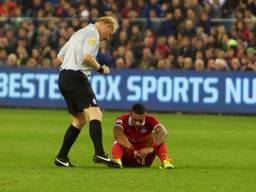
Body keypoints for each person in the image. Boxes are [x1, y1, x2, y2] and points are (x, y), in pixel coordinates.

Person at [54, 16, 119, 168]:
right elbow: (87, 57)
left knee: (80, 120)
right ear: (105, 24)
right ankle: (99, 153)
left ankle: (61, 157)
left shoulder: (78, 33)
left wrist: (71, 65)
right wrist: (101, 69)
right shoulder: (92, 34)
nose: (108, 37)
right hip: (76, 77)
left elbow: (59, 56)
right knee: (95, 113)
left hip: (64, 77)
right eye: (109, 33)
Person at [111, 103, 174, 169]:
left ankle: (165, 162)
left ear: (145, 115)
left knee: (160, 140)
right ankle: (117, 162)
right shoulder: (122, 119)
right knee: (118, 141)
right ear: (130, 114)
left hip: (145, 157)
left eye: (140, 120)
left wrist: (151, 148)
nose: (137, 123)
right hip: (128, 155)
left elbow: (163, 133)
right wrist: (133, 150)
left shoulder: (150, 119)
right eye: (135, 120)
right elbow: (118, 135)